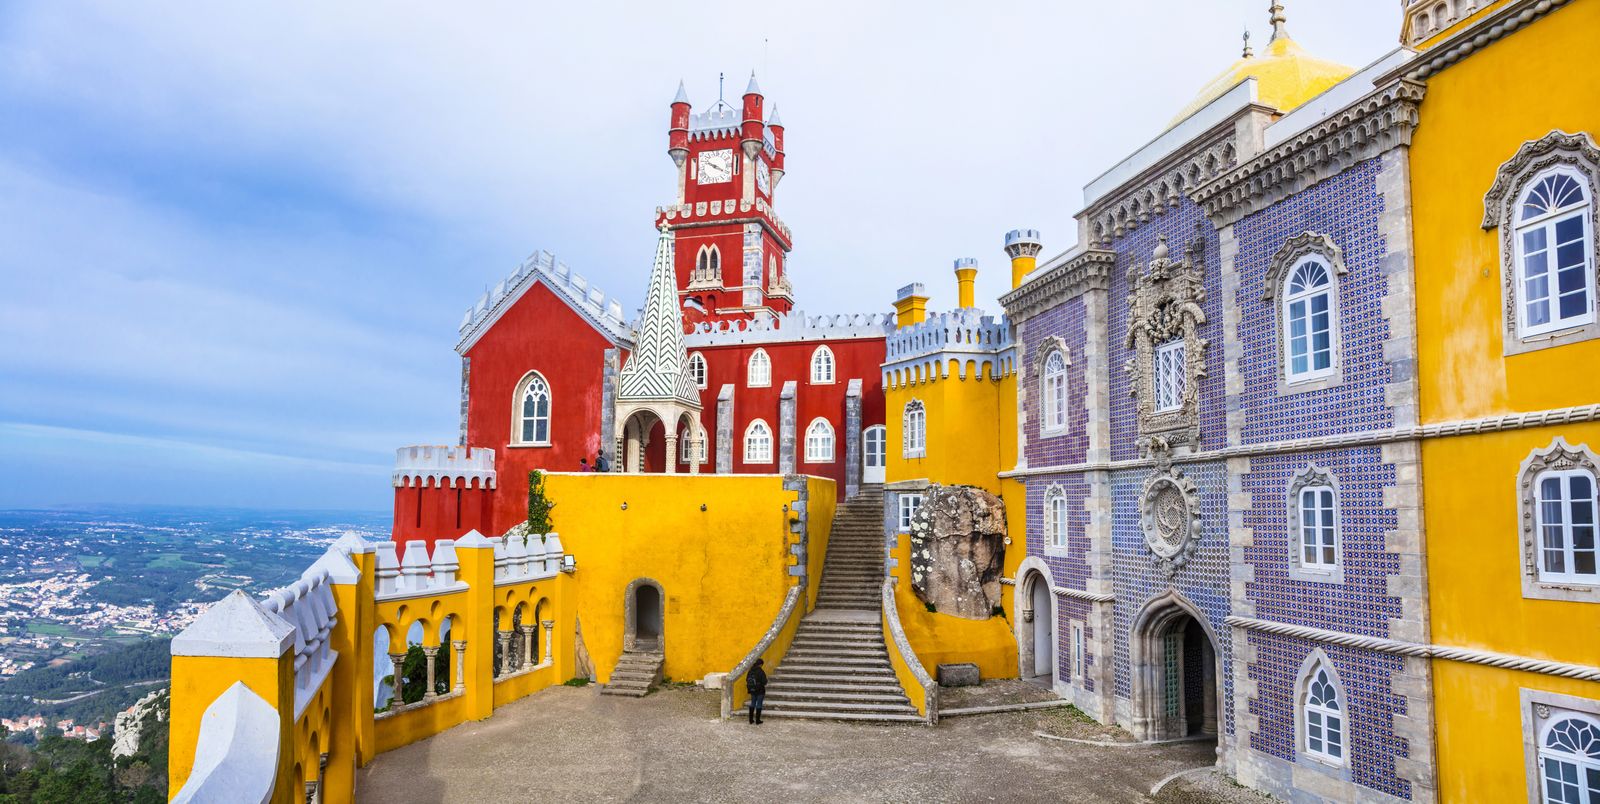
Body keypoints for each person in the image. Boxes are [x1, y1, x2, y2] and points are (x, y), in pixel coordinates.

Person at [746, 658, 767, 725]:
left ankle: (751, 720)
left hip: (752, 690)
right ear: (760, 664)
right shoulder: (760, 671)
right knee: (759, 704)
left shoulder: (751, 670)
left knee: (753, 703)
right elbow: (764, 682)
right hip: (760, 690)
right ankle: (757, 720)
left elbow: (747, 679)